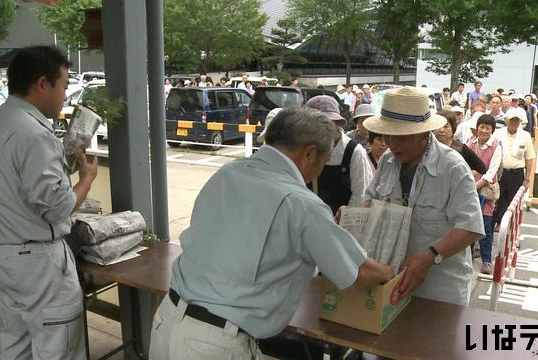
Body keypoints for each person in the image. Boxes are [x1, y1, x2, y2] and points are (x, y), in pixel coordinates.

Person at [149, 108, 392, 359]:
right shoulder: (302, 203)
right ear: (309, 153)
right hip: (212, 344)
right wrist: (391, 272)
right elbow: (360, 272)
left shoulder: (227, 173)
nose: (321, 169)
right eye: (324, 160)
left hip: (166, 319)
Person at [0, 46, 98, 360]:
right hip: (39, 262)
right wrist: (85, 179)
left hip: (3, 255)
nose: (65, 94)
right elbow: (58, 207)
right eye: (63, 85)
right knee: (57, 347)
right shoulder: (35, 135)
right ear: (41, 84)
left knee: (16, 344)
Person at [362, 87, 485, 306]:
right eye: (387, 135)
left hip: (439, 291)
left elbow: (470, 227)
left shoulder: (453, 167)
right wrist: (353, 217)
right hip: (390, 283)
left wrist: (431, 256)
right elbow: (371, 201)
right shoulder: (387, 161)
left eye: (400, 137)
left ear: (423, 133)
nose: (392, 143)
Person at [305, 95, 373, 214]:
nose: (323, 129)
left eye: (329, 123)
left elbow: (360, 196)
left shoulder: (353, 151)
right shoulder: (304, 147)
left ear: (337, 123)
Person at [467, 114, 502, 275]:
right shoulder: (470, 143)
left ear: (492, 130)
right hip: (469, 189)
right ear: (477, 127)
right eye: (482, 126)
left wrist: (476, 185)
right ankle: (468, 257)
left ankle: (487, 260)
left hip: (484, 192)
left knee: (486, 226)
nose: (484, 130)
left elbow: (491, 172)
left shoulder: (496, 146)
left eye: (488, 128)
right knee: (467, 224)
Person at [493, 108, 535, 229]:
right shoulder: (498, 133)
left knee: (513, 201)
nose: (513, 123)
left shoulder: (525, 135)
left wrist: (527, 179)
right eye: (511, 120)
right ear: (506, 120)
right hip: (500, 172)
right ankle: (497, 223)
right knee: (498, 199)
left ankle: (511, 228)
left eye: (516, 121)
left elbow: (529, 158)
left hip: (517, 174)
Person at [433, 110, 487, 176]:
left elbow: (481, 169)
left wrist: (460, 176)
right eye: (438, 125)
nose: (441, 130)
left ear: (453, 128)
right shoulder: (428, 148)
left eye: (446, 126)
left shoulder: (461, 149)